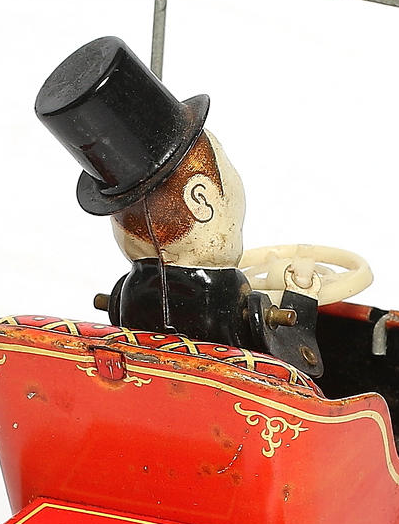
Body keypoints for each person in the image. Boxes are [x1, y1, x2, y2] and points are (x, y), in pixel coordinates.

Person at [35, 36, 321, 373]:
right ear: (201, 200)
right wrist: (301, 300)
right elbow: (298, 366)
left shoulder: (130, 296)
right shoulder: (228, 297)